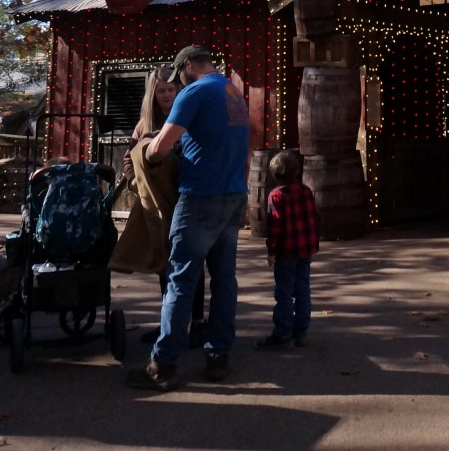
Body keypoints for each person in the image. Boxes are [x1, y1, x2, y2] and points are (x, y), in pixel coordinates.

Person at [127, 45, 248, 392]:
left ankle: (163, 365)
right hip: (233, 194)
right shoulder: (233, 93)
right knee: (224, 279)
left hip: (200, 197)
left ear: (189, 65)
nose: (178, 82)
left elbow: (161, 148)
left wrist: (144, 151)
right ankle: (218, 356)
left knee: (180, 279)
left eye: (179, 74)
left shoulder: (193, 92)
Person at [109, 67, 207, 342]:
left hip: (184, 196)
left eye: (170, 90)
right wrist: (135, 182)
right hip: (156, 201)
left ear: (177, 90)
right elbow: (129, 157)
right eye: (161, 91)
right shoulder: (144, 123)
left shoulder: (187, 115)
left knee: (191, 261)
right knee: (164, 262)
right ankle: (170, 323)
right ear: (153, 94)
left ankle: (197, 322)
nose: (166, 95)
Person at [256, 149, 319, 350]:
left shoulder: (276, 196)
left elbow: (275, 227)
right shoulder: (306, 191)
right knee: (302, 289)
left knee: (284, 291)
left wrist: (271, 252)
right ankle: (301, 331)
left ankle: (282, 332)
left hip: (286, 251)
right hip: (305, 248)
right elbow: (313, 218)